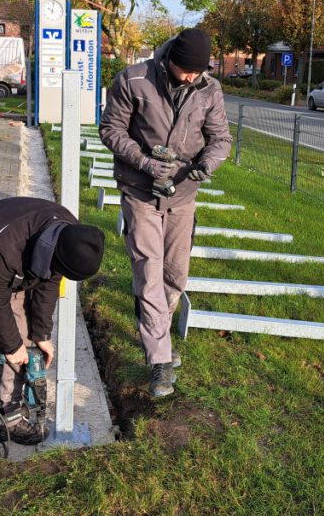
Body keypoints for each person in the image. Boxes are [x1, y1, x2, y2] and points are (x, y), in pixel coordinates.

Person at [99, 28, 231, 398]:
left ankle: (154, 323)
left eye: (198, 72)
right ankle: (160, 360)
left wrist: (208, 164)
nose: (191, 77)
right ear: (170, 59)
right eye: (186, 70)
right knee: (148, 269)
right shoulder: (134, 80)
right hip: (140, 191)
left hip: (183, 194)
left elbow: (221, 138)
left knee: (175, 274)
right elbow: (110, 129)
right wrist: (143, 162)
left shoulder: (209, 89)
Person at [0, 197, 105, 457]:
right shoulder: (2, 243)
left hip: (9, 275)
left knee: (23, 344)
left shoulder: (70, 235)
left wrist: (41, 333)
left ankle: (5, 419)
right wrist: (12, 346)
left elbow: (49, 284)